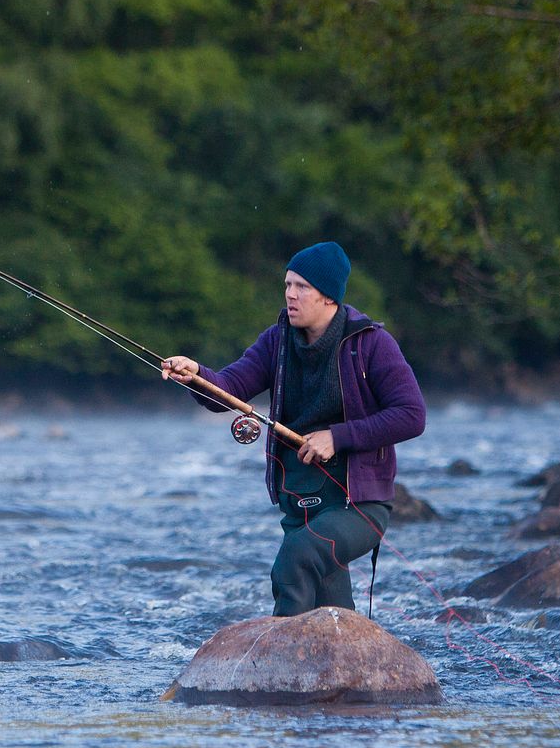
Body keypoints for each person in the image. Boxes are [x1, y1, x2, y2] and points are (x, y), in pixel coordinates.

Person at [161, 242, 426, 616]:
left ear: (329, 296)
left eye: (302, 286)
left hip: (358, 503)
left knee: (295, 560)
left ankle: (278, 667)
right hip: (298, 500)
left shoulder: (371, 344)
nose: (290, 294)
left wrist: (337, 437)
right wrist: (196, 376)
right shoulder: (276, 341)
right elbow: (226, 392)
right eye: (287, 285)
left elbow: (412, 414)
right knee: (332, 613)